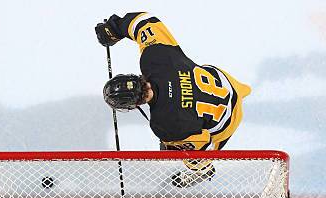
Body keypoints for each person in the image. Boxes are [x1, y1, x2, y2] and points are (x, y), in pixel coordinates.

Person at [95, 12, 251, 188]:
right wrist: (114, 28)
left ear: (134, 105)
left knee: (193, 150)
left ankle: (202, 171)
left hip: (230, 116)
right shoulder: (154, 58)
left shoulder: (164, 125)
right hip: (226, 82)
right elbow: (144, 23)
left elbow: (203, 142)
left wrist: (172, 147)